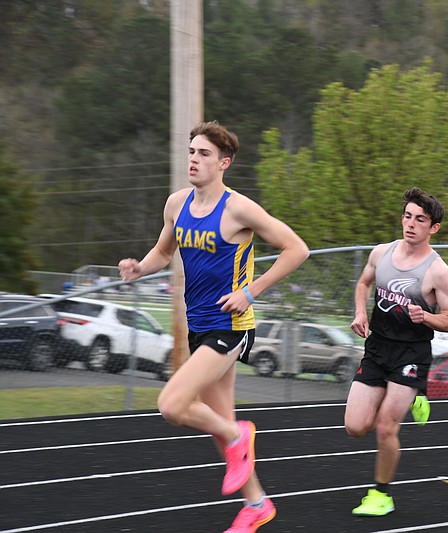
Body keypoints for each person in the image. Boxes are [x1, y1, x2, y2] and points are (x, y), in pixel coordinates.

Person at [118, 121, 309, 532]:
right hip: (199, 326)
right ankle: (257, 504)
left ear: (223, 163)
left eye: (203, 154)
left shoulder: (239, 208)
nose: (193, 159)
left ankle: (241, 435)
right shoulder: (176, 204)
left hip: (233, 324)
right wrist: (138, 267)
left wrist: (251, 292)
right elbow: (163, 251)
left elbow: (297, 248)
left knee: (172, 405)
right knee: (218, 423)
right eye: (191, 151)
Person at [344, 187, 448, 516]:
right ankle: (417, 394)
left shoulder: (438, 272)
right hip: (378, 348)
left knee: (385, 426)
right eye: (407, 216)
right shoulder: (381, 253)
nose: (411, 224)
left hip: (412, 353)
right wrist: (361, 313)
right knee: (355, 426)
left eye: (420, 220)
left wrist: (427, 317)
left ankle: (381, 494)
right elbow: (364, 283)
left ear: (433, 228)